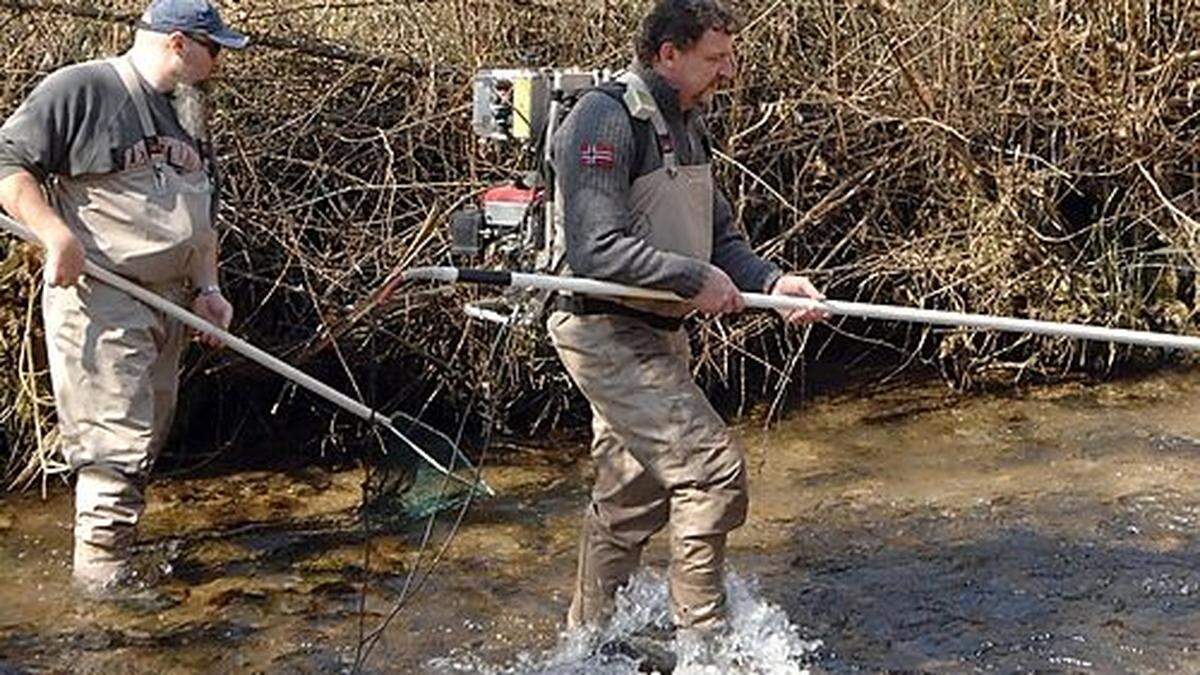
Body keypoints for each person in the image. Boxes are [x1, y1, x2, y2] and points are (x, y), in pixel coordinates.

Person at [547, 0, 827, 637]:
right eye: (714, 58)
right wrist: (691, 279)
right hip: (603, 329)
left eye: (730, 57)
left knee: (632, 494)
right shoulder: (605, 118)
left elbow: (720, 243)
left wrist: (775, 284)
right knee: (711, 472)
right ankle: (705, 644)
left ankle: (588, 643)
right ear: (667, 54)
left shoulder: (688, 124)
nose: (727, 72)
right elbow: (597, 248)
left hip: (657, 331)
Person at [0, 0, 247, 594]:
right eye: (215, 50)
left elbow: (200, 211)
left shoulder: (187, 111)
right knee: (116, 448)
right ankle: (101, 604)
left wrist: (209, 289)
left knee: (145, 443)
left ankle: (115, 572)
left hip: (171, 302)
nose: (219, 63)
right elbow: (7, 165)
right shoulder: (81, 90)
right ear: (179, 43)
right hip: (103, 296)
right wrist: (54, 233)